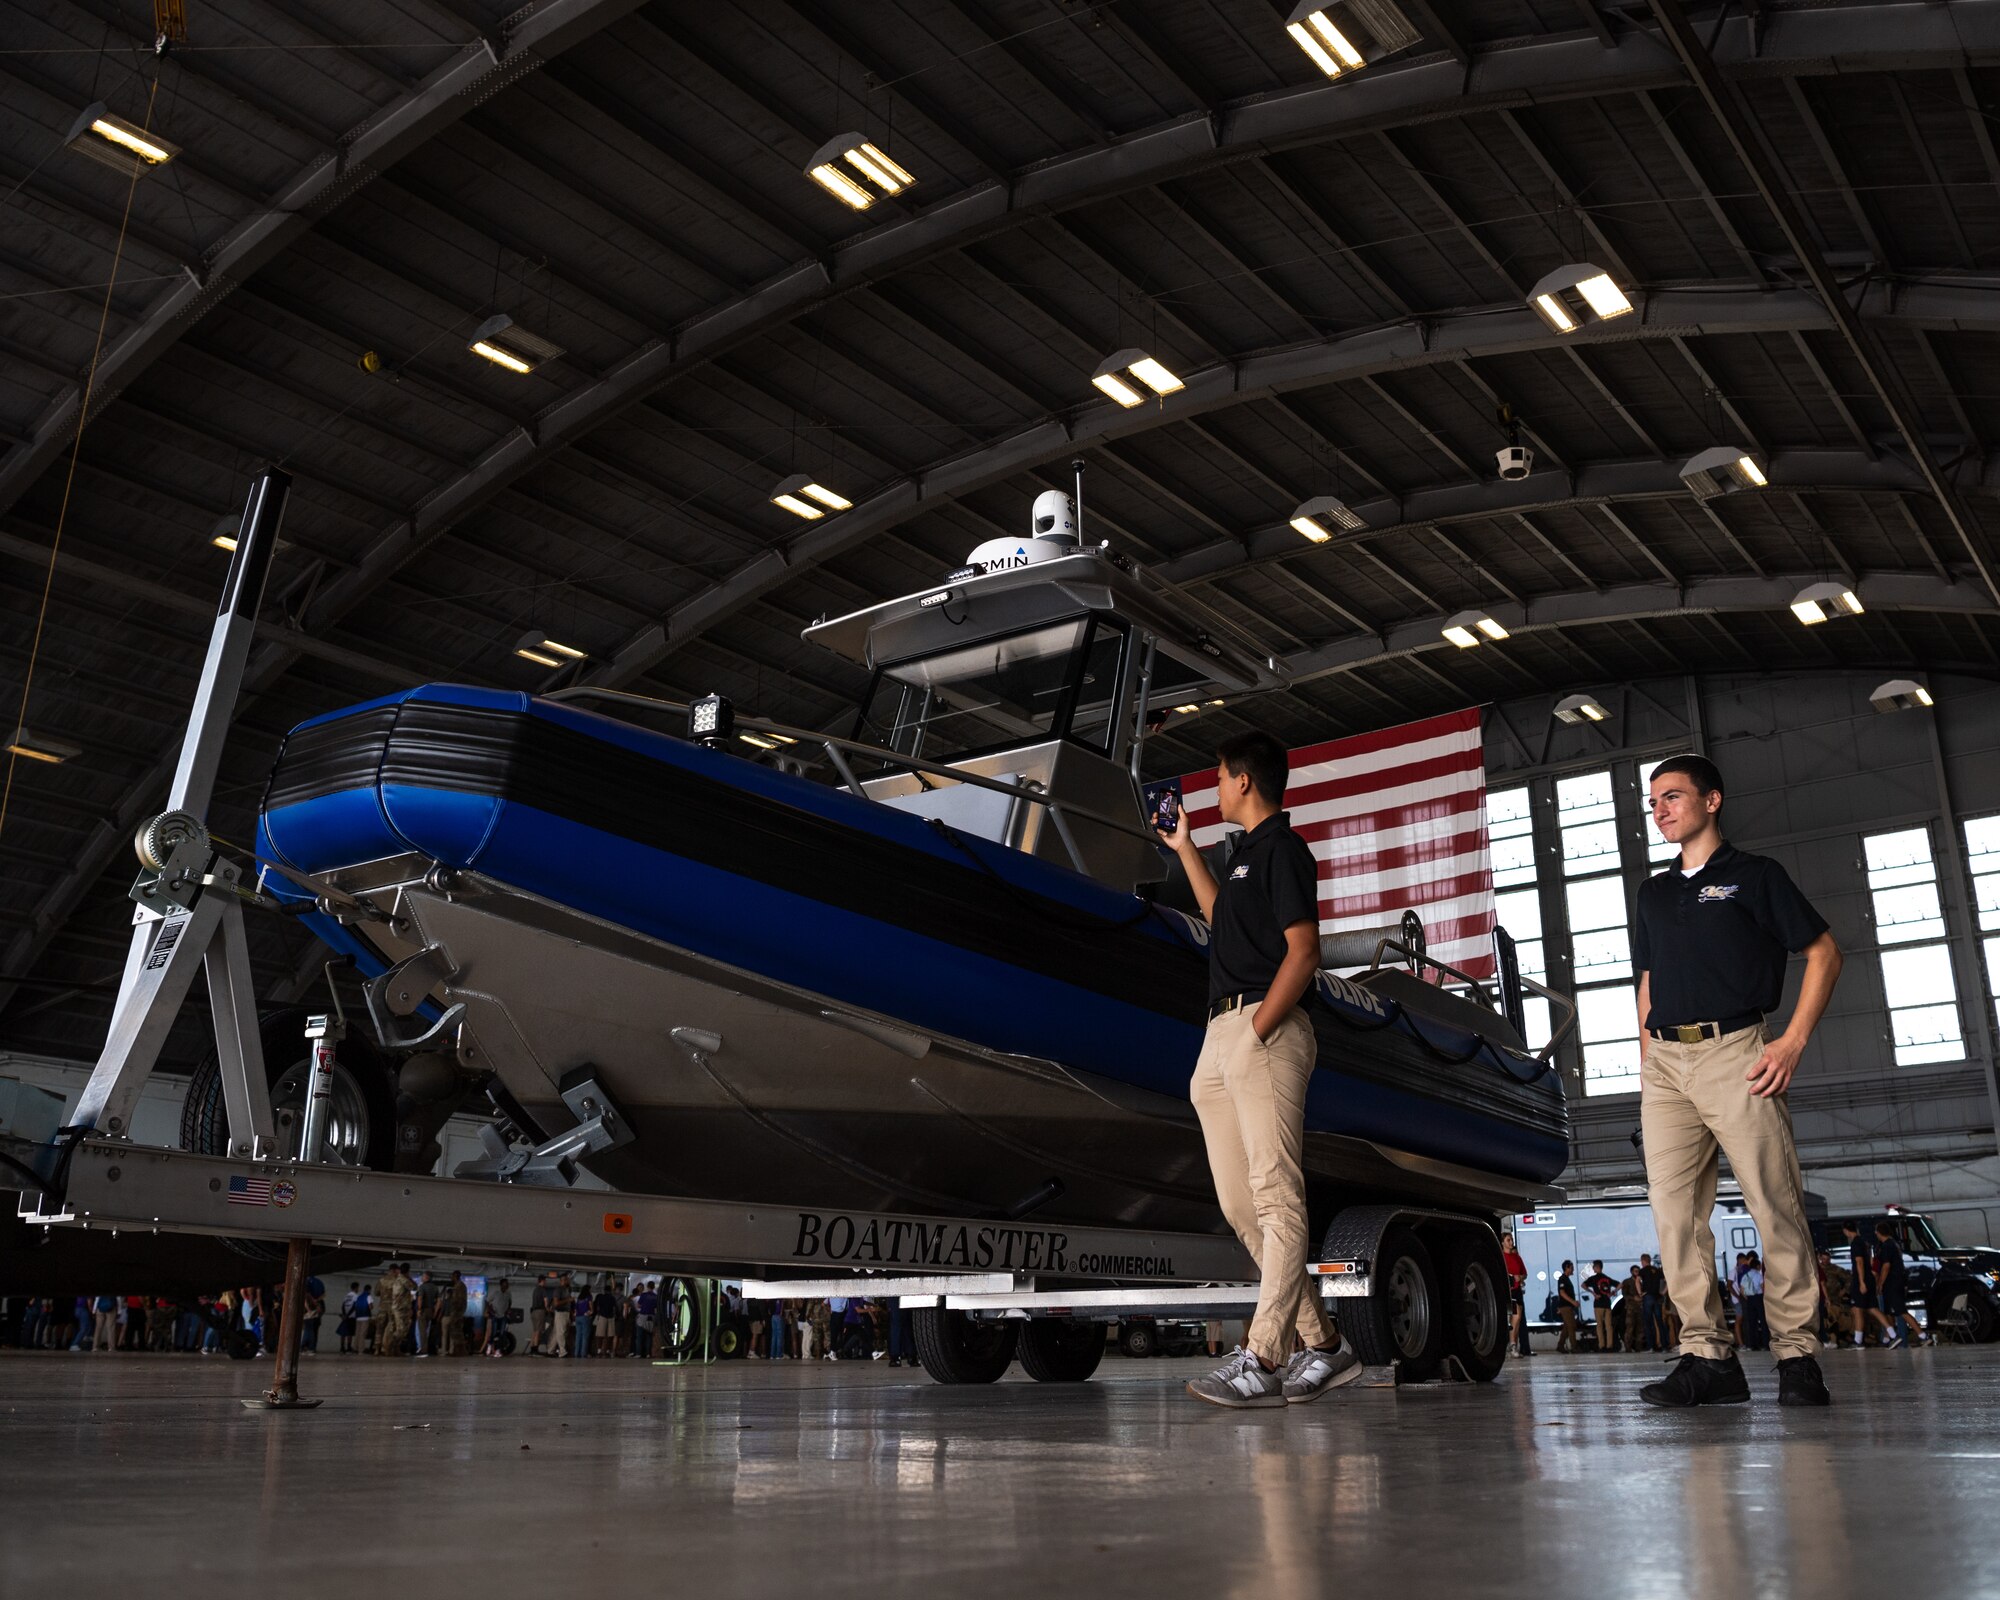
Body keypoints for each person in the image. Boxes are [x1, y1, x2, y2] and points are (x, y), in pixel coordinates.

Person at [1157, 731, 1360, 1409]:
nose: (1214, 790)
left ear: (1243, 781)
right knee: (1242, 1207)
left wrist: (1261, 1029)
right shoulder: (1243, 859)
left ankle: (1263, 1354)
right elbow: (1224, 925)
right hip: (1219, 1032)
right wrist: (1185, 849)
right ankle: (1326, 1347)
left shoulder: (1284, 852)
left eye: (1217, 778)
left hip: (1262, 1029)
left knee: (1277, 1195)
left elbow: (1304, 952)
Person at [1634, 754, 1842, 1409]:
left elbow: (1824, 953)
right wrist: (1646, 1053)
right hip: (1665, 1066)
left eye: (1672, 797)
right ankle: (1707, 1356)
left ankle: (1797, 1357)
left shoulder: (1754, 877)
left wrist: (1793, 1041)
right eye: (1654, 801)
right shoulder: (1654, 891)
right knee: (1675, 1216)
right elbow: (1647, 978)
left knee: (1772, 1205)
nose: (1660, 810)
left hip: (1737, 1052)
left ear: (1712, 800)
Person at [1870, 1221, 1930, 1347]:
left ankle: (1922, 1336)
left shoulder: (1887, 1246)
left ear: (1879, 1233)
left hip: (1892, 1283)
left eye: (1876, 1232)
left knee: (1901, 1311)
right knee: (1890, 1313)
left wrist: (1880, 1283)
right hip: (1897, 1282)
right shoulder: (1894, 1244)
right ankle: (1889, 1338)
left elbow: (1886, 1266)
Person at [1840, 1222, 1876, 1346]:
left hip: (1861, 1279)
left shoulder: (1855, 1243)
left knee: (1859, 1309)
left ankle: (1858, 1340)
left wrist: (1861, 1282)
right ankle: (1891, 1333)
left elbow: (1859, 1262)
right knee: (1867, 1308)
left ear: (1846, 1230)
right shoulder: (1863, 1242)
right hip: (1867, 1278)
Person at [1502, 1233, 1531, 1358]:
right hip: (1508, 1291)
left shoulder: (1516, 1257)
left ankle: (1514, 1344)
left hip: (1517, 1290)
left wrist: (1520, 1277)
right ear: (1502, 1242)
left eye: (1511, 1239)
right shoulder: (1501, 1257)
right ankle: (1512, 1344)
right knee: (1516, 1315)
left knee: (1517, 1319)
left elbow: (1524, 1273)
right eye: (1508, 1240)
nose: (1511, 1242)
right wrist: (1511, 1277)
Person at [1583, 1261, 1617, 1353]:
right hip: (1607, 1304)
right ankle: (1610, 1346)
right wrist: (1613, 1292)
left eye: (1594, 1267)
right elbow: (1620, 1284)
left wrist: (1593, 1293)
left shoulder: (1593, 1278)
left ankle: (1602, 1346)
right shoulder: (1607, 1278)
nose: (1593, 1269)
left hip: (1598, 1305)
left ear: (1596, 1267)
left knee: (1600, 1326)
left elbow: (1583, 1285)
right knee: (1609, 1326)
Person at [1736, 1253, 1768, 1351]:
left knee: (1751, 1323)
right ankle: (1766, 1344)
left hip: (1749, 1300)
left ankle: (1752, 1344)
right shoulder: (1758, 1275)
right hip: (1758, 1298)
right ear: (1758, 1266)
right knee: (1763, 1322)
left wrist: (1747, 1297)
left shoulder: (1746, 1275)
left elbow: (1741, 1289)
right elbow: (1763, 1287)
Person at [1555, 1261, 1580, 1353]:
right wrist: (1573, 1302)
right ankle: (1574, 1347)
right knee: (1571, 1326)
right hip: (1565, 1307)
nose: (1573, 1269)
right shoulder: (1562, 1279)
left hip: (1568, 1306)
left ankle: (1560, 1345)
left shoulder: (1566, 1279)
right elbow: (1562, 1293)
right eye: (1571, 1267)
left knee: (1566, 1327)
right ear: (1567, 1268)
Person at [440, 1272, 467, 1357]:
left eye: (452, 1276)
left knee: (456, 1331)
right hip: (456, 1311)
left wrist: (456, 1311)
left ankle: (459, 1351)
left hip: (457, 1312)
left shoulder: (460, 1286)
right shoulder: (458, 1286)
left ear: (455, 1276)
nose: (451, 1278)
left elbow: (460, 1300)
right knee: (455, 1331)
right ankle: (457, 1350)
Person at [485, 1278, 513, 1357]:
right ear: (501, 1285)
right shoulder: (496, 1293)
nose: (506, 1286)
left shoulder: (508, 1294)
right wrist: (491, 1310)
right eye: (505, 1284)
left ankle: (498, 1350)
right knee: (493, 1332)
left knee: (502, 1333)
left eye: (507, 1284)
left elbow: (510, 1302)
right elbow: (487, 1301)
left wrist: (508, 1310)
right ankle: (490, 1345)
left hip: (503, 1316)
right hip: (495, 1315)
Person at [634, 1281, 658, 1360]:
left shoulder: (643, 1295)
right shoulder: (655, 1296)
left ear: (647, 1287)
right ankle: (648, 1354)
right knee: (649, 1336)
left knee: (639, 1336)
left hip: (643, 1316)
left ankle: (638, 1353)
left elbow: (638, 1305)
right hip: (651, 1317)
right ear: (653, 1287)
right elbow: (656, 1307)